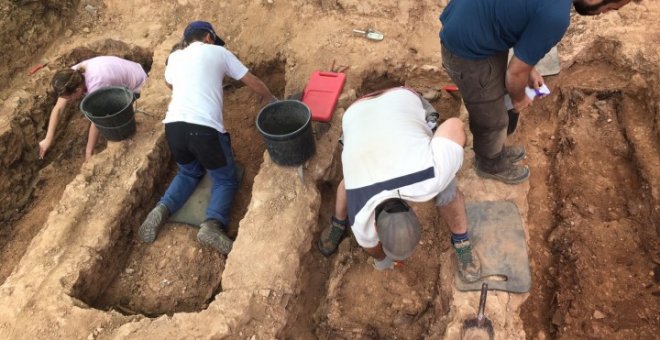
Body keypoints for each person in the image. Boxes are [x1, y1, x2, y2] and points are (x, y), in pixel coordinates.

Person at [438, 0, 633, 184]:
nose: (604, 13)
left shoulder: (549, 8)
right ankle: (489, 165)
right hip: (467, 51)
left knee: (497, 100)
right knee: (493, 120)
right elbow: (514, 74)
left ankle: (496, 151)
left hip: (471, 24)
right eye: (611, 7)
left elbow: (516, 16)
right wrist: (519, 98)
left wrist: (528, 67)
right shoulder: (555, 16)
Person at [138, 21, 277, 254]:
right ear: (209, 37)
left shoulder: (175, 58)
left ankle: (161, 209)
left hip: (174, 127)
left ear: (186, 42)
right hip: (204, 130)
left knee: (189, 171)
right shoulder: (219, 52)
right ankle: (212, 225)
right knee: (225, 179)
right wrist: (273, 99)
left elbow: (168, 83)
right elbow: (251, 80)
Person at [317, 87, 481, 282]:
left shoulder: (432, 175)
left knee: (446, 187)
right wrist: (382, 259)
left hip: (386, 104)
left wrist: (445, 159)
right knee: (350, 182)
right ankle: (338, 223)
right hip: (361, 112)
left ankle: (461, 241)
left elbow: (455, 125)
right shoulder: (360, 219)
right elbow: (454, 125)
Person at [39, 56, 148, 161]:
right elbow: (58, 109)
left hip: (139, 86)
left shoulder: (97, 84)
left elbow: (97, 121)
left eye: (69, 98)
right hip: (128, 70)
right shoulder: (71, 76)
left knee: (111, 116)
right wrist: (48, 139)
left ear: (77, 90)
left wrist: (88, 152)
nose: (68, 101)